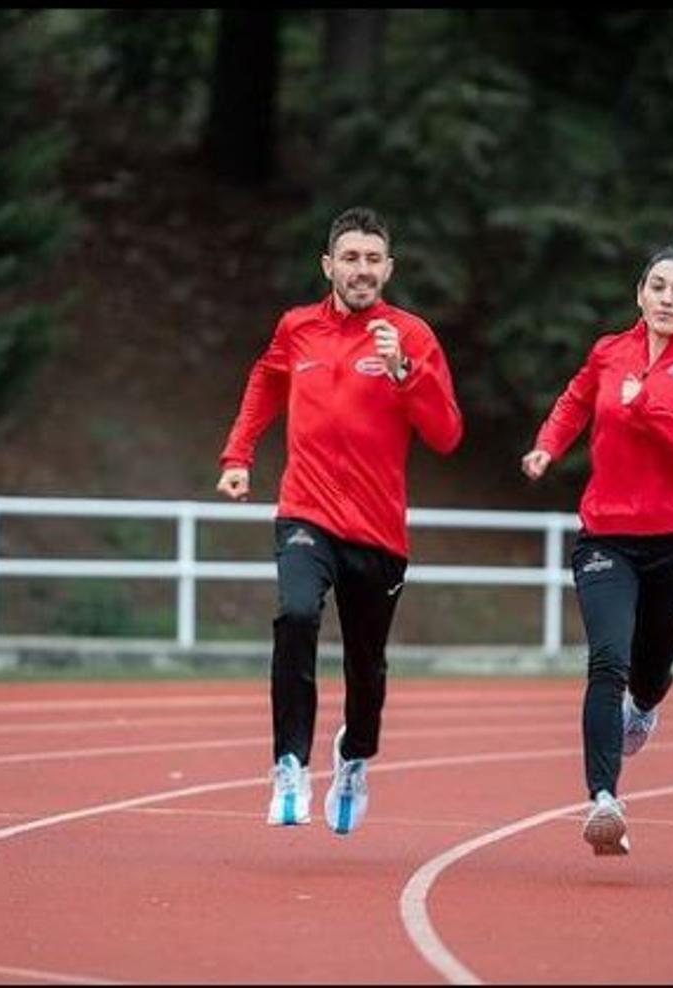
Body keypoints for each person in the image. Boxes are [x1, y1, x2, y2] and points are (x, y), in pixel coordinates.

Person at [216, 206, 463, 835]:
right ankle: (290, 764)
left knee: (366, 665)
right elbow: (265, 382)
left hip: (378, 530)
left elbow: (446, 435)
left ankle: (353, 759)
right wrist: (238, 455)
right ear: (328, 265)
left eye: (372, 259)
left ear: (389, 268)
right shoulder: (296, 327)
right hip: (307, 510)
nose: (361, 269)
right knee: (296, 614)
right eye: (350, 258)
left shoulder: (412, 335)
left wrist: (405, 372)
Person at [520, 246, 673, 857]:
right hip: (606, 537)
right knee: (607, 660)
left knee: (648, 674)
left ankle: (645, 706)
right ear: (640, 294)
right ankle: (603, 799)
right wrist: (548, 445)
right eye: (657, 286)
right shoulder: (610, 352)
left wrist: (650, 410)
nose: (666, 298)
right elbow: (576, 401)